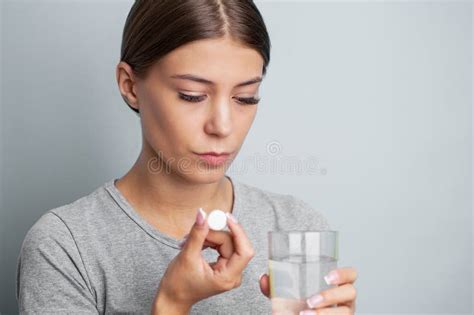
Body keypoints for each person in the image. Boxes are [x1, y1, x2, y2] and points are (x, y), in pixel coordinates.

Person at [15, 1, 358, 314]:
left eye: (245, 98)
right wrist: (172, 303)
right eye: (192, 96)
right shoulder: (66, 247)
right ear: (130, 86)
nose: (222, 126)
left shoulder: (294, 226)